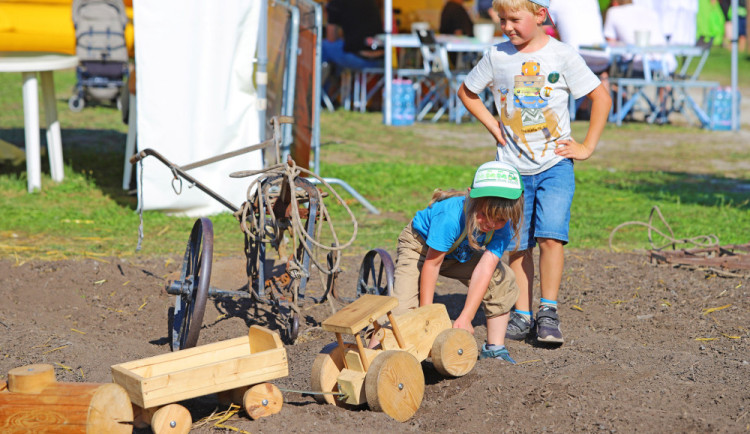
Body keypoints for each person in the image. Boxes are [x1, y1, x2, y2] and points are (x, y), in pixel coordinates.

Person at [457, 0, 612, 345]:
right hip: (512, 171)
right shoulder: (497, 56)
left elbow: (601, 98)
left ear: (540, 15)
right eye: (502, 20)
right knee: (518, 243)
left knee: (551, 237)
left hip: (555, 165)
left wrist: (586, 147)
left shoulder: (563, 55)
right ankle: (523, 314)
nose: (507, 27)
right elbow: (467, 92)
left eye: (515, 19)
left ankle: (548, 312)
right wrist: (494, 127)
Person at [390, 161, 525, 363]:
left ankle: (495, 349)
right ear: (471, 197)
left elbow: (484, 269)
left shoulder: (502, 227)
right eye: (484, 215)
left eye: (499, 219)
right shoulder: (450, 217)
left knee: (502, 279)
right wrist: (427, 317)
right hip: (420, 248)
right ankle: (382, 350)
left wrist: (466, 317)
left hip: (461, 253)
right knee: (401, 313)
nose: (491, 224)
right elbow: (432, 264)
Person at [322, 0, 384, 71]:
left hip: (360, 59)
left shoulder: (335, 3)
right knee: (340, 47)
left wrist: (327, 15)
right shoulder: (370, 1)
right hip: (381, 59)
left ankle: (318, 81)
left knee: (323, 47)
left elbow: (331, 38)